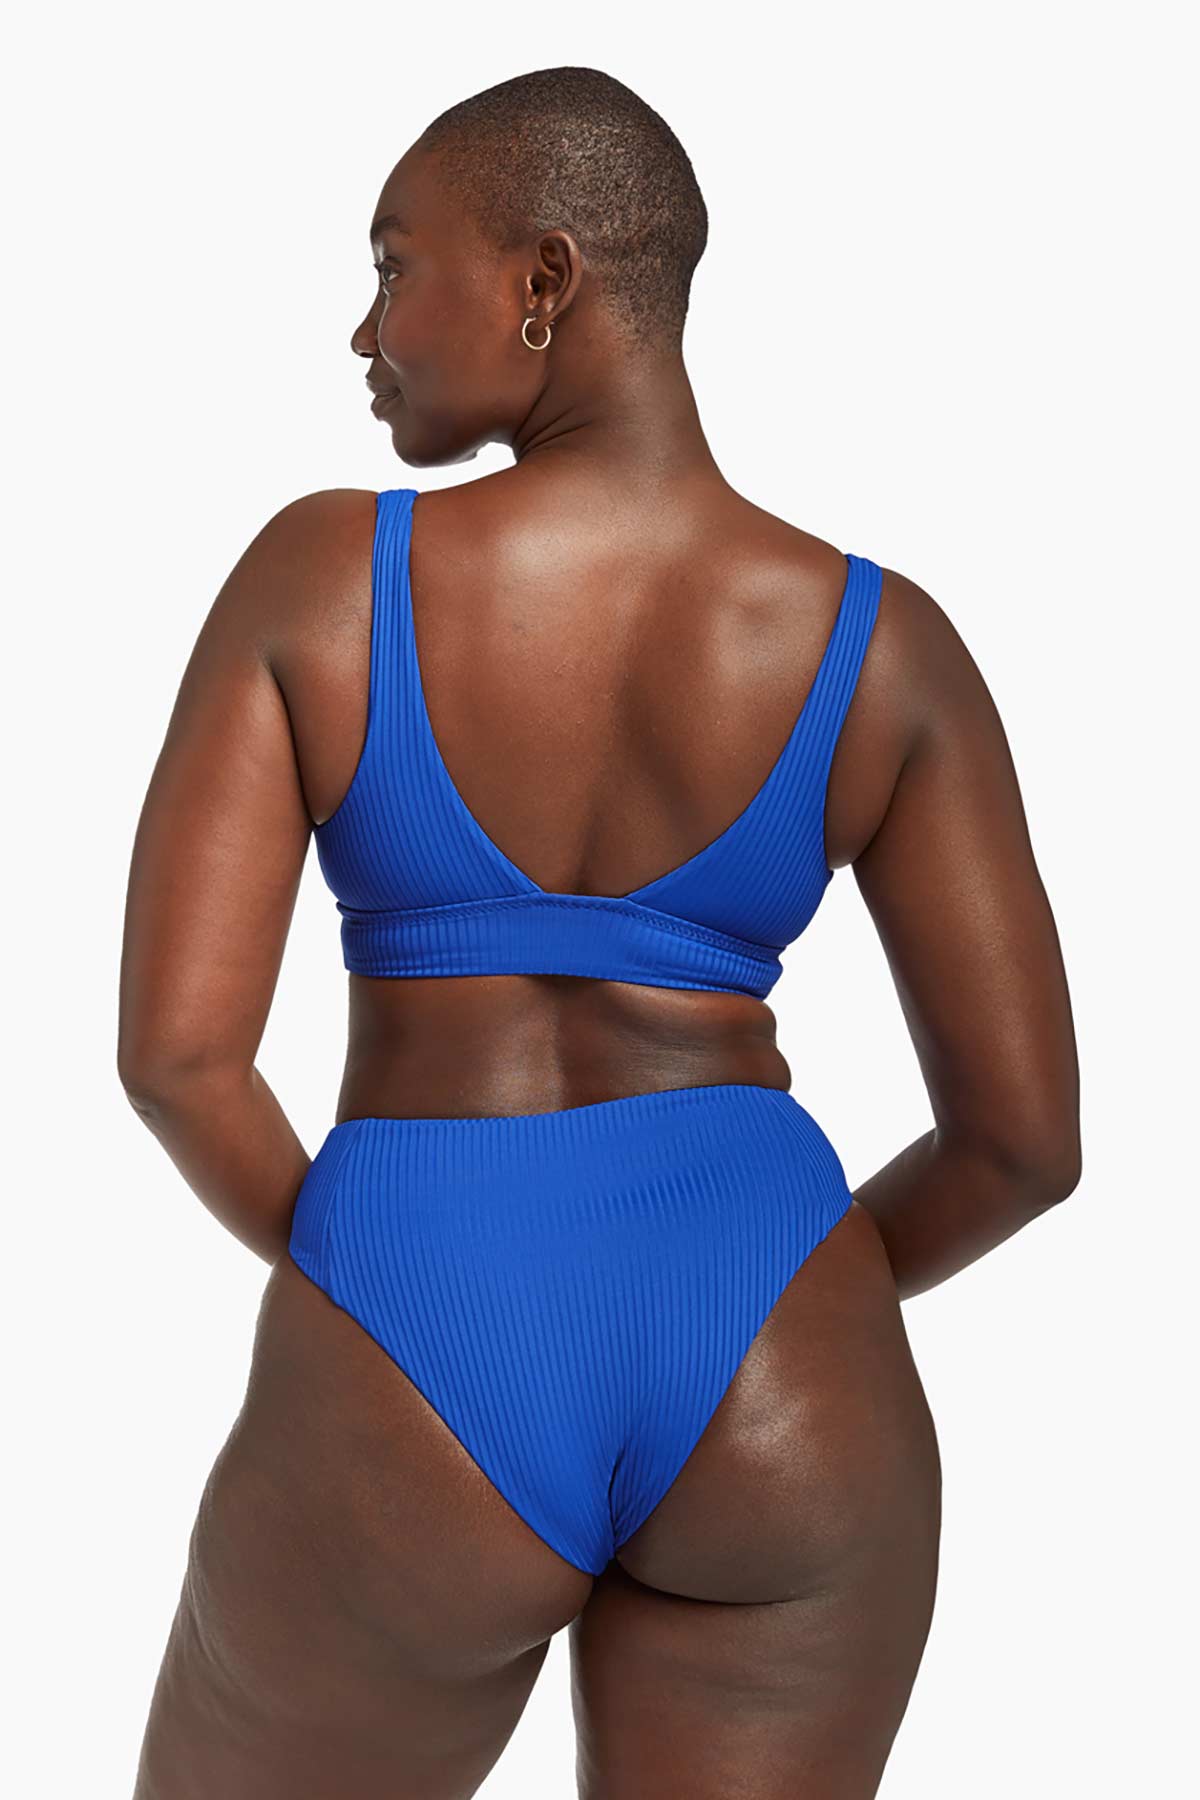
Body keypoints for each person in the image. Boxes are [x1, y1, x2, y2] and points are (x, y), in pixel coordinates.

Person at [118, 64, 1081, 1800]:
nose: (365, 329)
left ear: (543, 281)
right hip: (784, 1357)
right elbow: (1024, 1144)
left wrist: (385, 1276)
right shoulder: (887, 646)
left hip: (420, 1313)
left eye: (394, 263)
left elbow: (181, 1060)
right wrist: (785, 1290)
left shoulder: (324, 579)